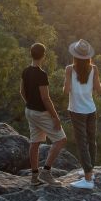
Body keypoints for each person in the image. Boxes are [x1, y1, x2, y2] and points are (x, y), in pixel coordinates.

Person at [20, 42, 67, 187]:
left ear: (31, 54)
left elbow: (22, 92)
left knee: (34, 143)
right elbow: (46, 99)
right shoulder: (41, 75)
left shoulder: (25, 71)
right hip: (41, 113)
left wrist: (30, 103)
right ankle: (46, 172)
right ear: (44, 56)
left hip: (29, 111)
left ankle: (34, 177)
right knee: (61, 140)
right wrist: (55, 117)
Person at [63, 39, 101, 189]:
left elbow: (66, 91)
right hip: (91, 109)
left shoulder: (69, 69)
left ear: (75, 56)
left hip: (77, 110)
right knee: (91, 141)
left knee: (82, 143)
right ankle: (90, 171)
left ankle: (88, 180)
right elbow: (99, 89)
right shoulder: (94, 69)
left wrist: (69, 84)